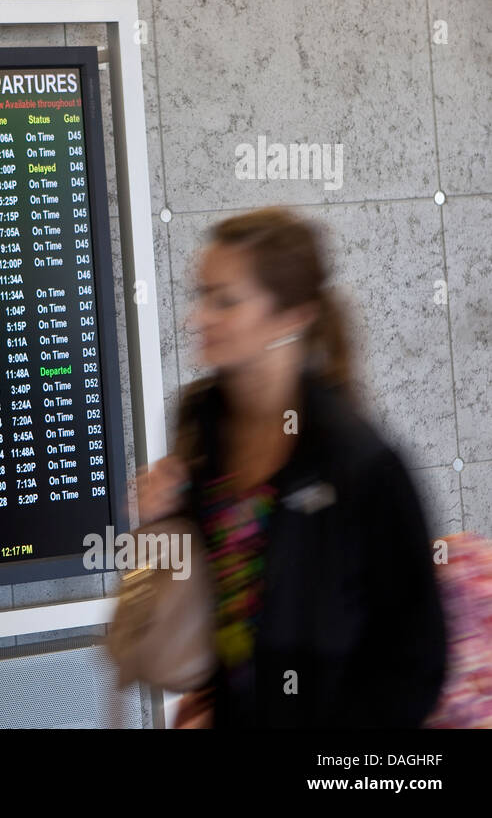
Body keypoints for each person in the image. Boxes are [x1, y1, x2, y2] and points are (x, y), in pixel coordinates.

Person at [137, 207, 446, 728]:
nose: (198, 317)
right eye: (200, 296)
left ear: (290, 318)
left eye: (225, 301)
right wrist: (159, 524)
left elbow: (417, 664)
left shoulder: (361, 462)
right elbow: (207, 592)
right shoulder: (199, 419)